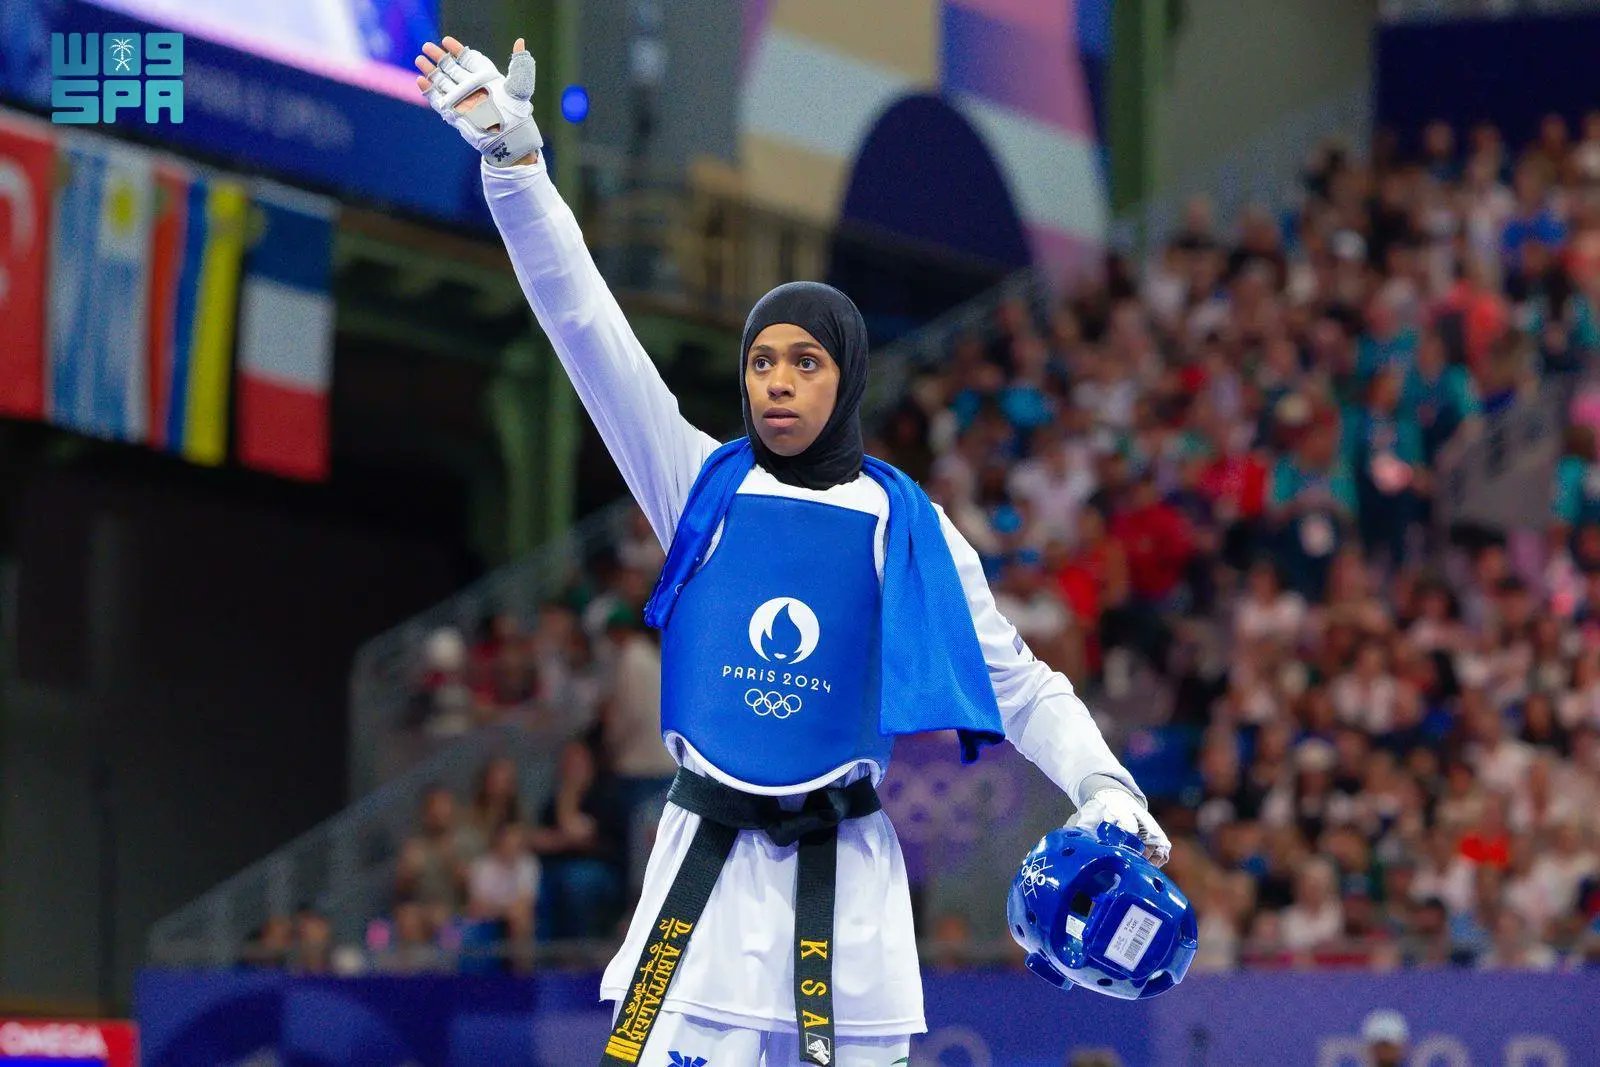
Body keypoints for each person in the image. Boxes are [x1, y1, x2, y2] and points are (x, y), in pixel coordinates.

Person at [416, 36, 1168, 1064]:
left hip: (848, 884)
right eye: (761, 360)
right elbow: (585, 327)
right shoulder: (698, 486)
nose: (775, 379)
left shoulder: (907, 527)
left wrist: (1109, 786)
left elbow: (1024, 688)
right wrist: (516, 167)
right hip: (702, 876)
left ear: (847, 375)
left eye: (804, 361)